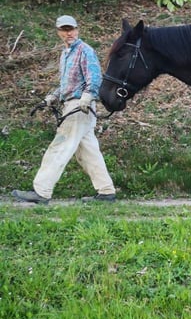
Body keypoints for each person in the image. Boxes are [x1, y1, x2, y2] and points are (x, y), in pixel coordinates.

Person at [12, 15, 116, 204]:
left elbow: (95, 78)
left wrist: (88, 96)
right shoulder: (66, 54)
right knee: (88, 151)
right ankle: (106, 192)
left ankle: (41, 192)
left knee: (60, 146)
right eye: (64, 30)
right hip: (73, 104)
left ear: (77, 29)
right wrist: (53, 96)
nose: (68, 33)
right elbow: (68, 84)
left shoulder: (85, 51)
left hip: (80, 106)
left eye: (71, 29)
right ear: (58, 32)